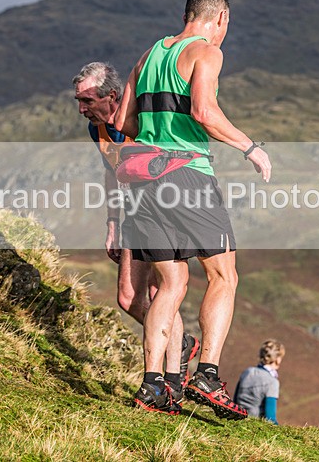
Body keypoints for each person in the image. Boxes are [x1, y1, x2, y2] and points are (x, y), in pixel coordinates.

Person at [113, 0, 272, 418]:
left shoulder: (147, 56)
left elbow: (123, 121)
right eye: (226, 26)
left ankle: (153, 387)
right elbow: (204, 111)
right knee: (223, 275)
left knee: (171, 284)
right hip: (187, 175)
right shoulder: (206, 52)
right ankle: (206, 374)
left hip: (143, 181)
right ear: (219, 18)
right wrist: (249, 146)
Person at [73, 62, 199, 405]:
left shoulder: (143, 118)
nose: (81, 108)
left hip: (165, 208)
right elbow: (112, 175)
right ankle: (181, 342)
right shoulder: (96, 129)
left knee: (162, 289)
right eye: (78, 101)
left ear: (112, 96)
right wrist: (113, 224)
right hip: (133, 215)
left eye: (86, 100)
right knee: (129, 297)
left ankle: (168, 386)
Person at [234, 340, 285, 424]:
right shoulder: (272, 382)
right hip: (255, 424)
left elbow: (235, 401)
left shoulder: (247, 372)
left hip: (238, 419)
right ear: (278, 359)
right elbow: (270, 418)